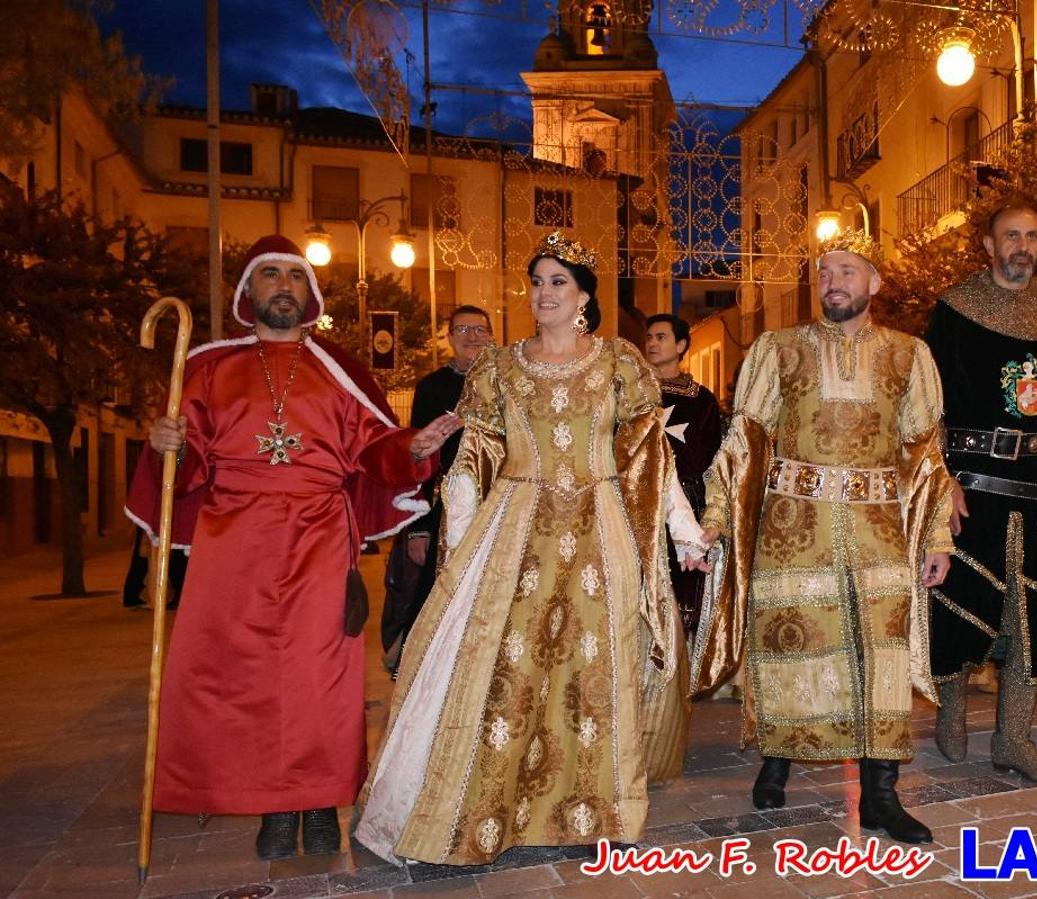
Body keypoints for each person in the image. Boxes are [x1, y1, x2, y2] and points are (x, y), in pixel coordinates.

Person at [354, 232, 709, 865]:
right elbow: (473, 461)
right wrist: (459, 551)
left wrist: (683, 531)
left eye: (558, 283)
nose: (544, 293)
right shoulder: (498, 367)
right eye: (538, 281)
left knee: (592, 669)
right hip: (517, 530)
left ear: (583, 297)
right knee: (507, 673)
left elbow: (648, 457)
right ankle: (487, 812)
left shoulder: (619, 365)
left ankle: (589, 810)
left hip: (600, 533)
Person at [124, 235, 460, 860]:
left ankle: (320, 799)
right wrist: (167, 441)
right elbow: (189, 463)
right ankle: (274, 808)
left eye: (294, 277)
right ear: (247, 293)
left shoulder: (338, 372)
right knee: (239, 677)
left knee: (321, 676)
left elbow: (370, 448)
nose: (283, 285)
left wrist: (412, 447)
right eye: (269, 275)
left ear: (311, 294)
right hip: (234, 540)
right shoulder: (208, 368)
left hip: (318, 538)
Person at [694, 226, 955, 845]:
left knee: (878, 655)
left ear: (874, 283)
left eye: (846, 270)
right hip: (793, 524)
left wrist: (938, 536)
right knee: (793, 643)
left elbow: (924, 454)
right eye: (824, 272)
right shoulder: (776, 348)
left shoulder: (909, 354)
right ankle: (777, 758)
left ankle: (882, 796)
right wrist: (715, 518)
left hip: (879, 529)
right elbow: (745, 439)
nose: (832, 282)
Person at [923, 204, 1037, 784]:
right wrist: (939, 477)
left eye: (1032, 235)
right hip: (971, 479)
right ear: (988, 244)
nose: (1022, 246)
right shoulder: (955, 309)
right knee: (961, 597)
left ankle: (1014, 739)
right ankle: (951, 712)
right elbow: (927, 403)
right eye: (1011, 236)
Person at [381, 305, 495, 676]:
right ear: (449, 337)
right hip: (445, 510)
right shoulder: (432, 388)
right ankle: (424, 668)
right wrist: (419, 527)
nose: (472, 336)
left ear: (492, 336)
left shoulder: (505, 385)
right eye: (463, 329)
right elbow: (421, 462)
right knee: (438, 589)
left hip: (497, 505)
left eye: (480, 330)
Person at [644, 313, 723, 637]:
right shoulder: (635, 395)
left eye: (660, 337)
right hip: (644, 503)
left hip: (690, 502)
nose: (651, 343)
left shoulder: (702, 400)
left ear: (681, 345)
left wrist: (710, 510)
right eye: (648, 337)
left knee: (687, 589)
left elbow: (713, 455)